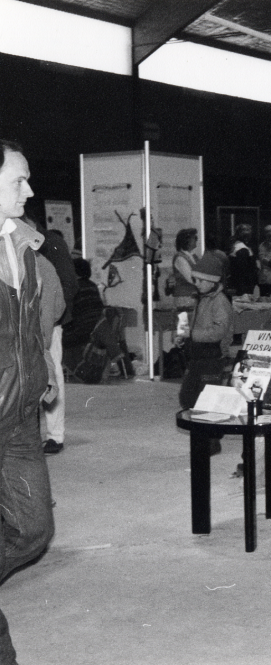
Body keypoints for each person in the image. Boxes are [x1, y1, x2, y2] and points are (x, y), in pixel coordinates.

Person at [0, 138, 56, 664]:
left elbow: (32, 325)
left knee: (33, 527)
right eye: (19, 180)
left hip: (17, 418)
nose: (30, 190)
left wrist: (42, 372)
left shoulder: (24, 245)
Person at [23, 212, 76, 455]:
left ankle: (55, 435)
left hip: (50, 323)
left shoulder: (51, 244)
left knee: (52, 376)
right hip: (36, 322)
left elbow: (68, 285)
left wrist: (50, 319)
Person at [178, 251, 233, 454]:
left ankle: (210, 440)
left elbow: (219, 331)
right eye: (196, 280)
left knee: (207, 400)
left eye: (201, 280)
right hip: (198, 357)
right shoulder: (202, 298)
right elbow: (194, 325)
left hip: (213, 358)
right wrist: (183, 336)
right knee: (188, 396)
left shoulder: (220, 302)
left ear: (213, 282)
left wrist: (193, 334)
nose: (197, 284)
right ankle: (205, 436)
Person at [61, 257, 105, 367]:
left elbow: (67, 312)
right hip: (95, 329)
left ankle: (65, 366)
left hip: (80, 332)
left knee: (57, 334)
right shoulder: (93, 286)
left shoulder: (73, 287)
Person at [170, 227, 199, 310]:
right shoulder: (180, 258)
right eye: (194, 238)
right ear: (186, 241)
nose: (196, 240)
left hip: (193, 296)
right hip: (185, 298)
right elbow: (190, 278)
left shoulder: (194, 256)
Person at [227, 223, 257, 297]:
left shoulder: (236, 246)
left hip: (239, 284)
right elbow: (242, 271)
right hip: (244, 285)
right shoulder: (242, 249)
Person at [257, 224, 271, 298]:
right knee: (264, 300)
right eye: (267, 232)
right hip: (265, 277)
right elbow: (262, 259)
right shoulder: (262, 245)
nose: (270, 233)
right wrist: (270, 262)